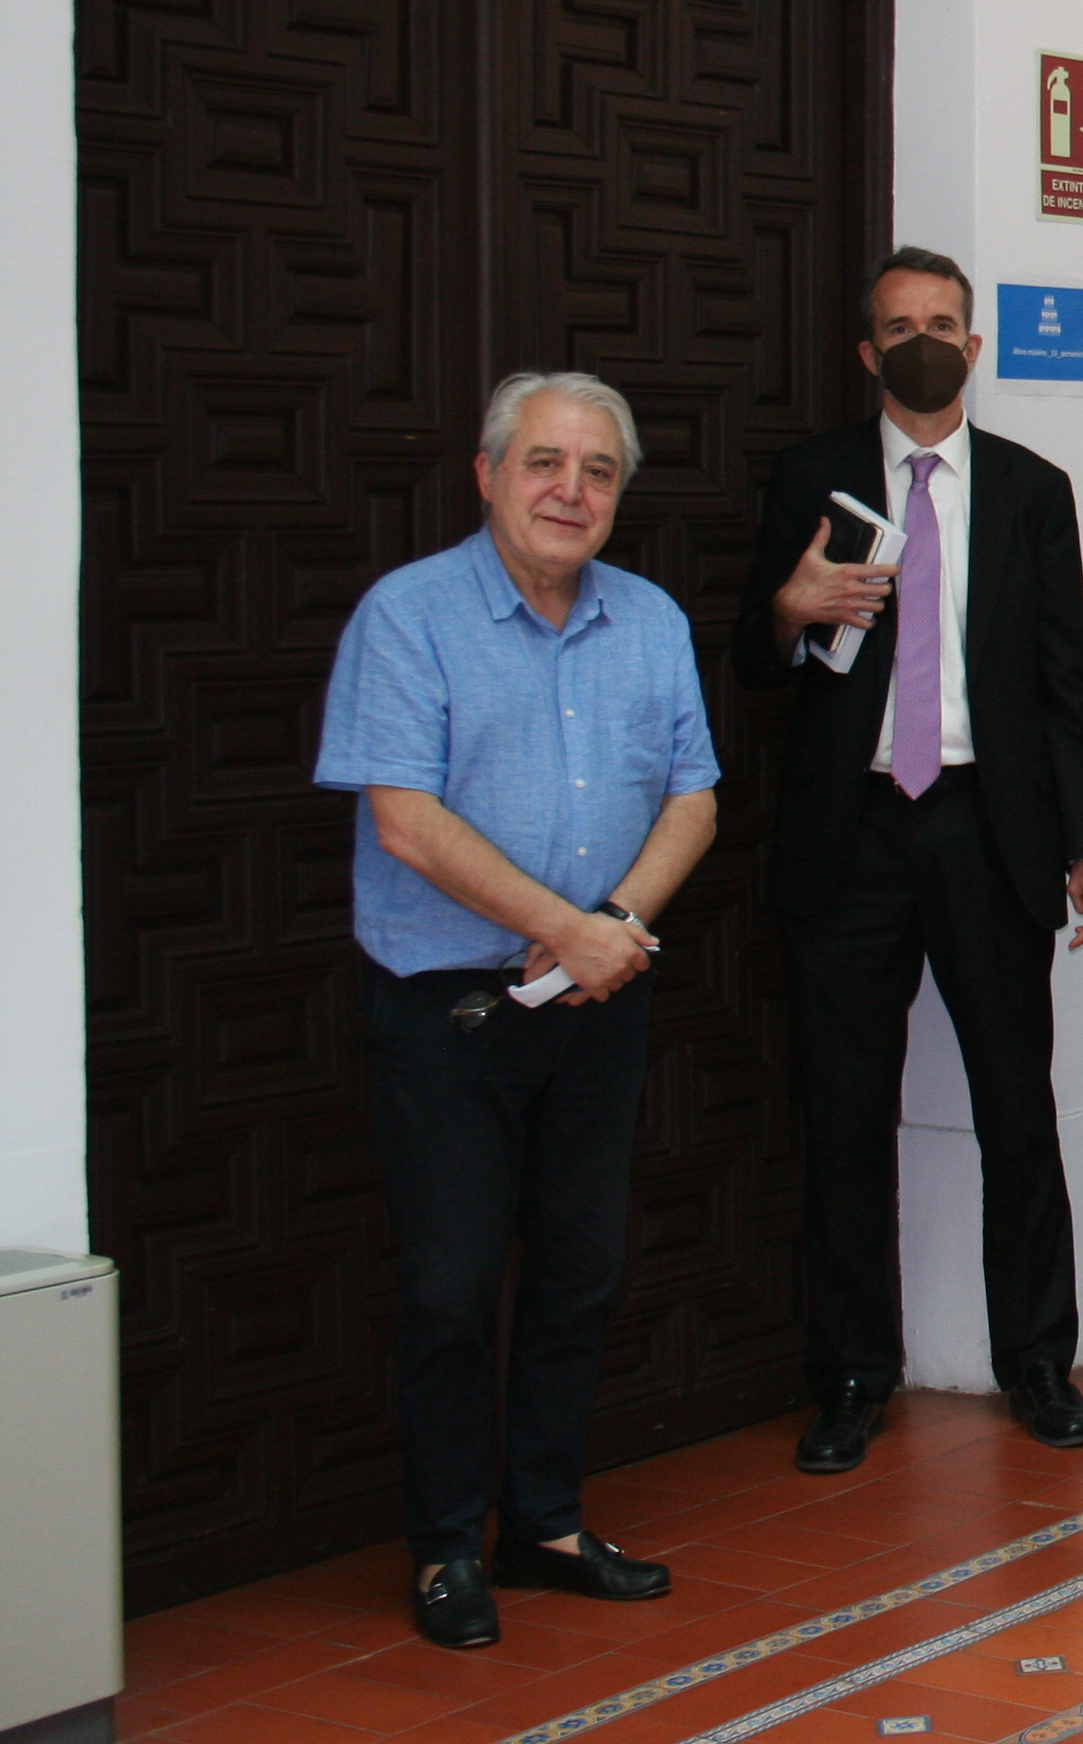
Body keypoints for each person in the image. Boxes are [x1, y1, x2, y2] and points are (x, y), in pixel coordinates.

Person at [315, 372, 719, 1649]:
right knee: (447, 1285)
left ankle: (542, 1522)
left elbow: (695, 797)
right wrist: (568, 930)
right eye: (545, 463)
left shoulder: (649, 620)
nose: (571, 491)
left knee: (578, 1271)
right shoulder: (410, 617)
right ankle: (445, 1547)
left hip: (598, 1002)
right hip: (450, 1010)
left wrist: (618, 935)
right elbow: (404, 816)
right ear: (487, 474)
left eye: (598, 472)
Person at [733, 246, 1083, 1473]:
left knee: (1018, 1111)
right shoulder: (811, 479)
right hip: (847, 837)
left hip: (984, 826)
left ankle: (1038, 1368)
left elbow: (1068, 682)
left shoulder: (1027, 489)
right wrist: (792, 613)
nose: (920, 340)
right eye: (896, 324)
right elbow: (750, 662)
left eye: (941, 323)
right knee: (847, 1116)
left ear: (973, 346)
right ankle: (853, 1373)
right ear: (866, 351)